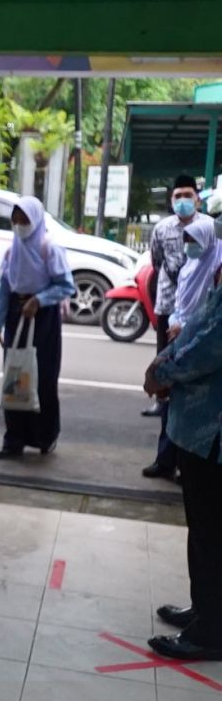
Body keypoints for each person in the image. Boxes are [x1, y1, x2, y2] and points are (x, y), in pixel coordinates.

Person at [144, 216, 222, 661]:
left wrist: (165, 371)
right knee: (206, 529)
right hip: (203, 427)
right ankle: (207, 610)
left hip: (214, 431)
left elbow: (214, 342)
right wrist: (167, 358)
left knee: (212, 531)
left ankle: (211, 630)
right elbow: (200, 322)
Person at [0, 197, 75, 459]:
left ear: (36, 220)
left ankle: (45, 437)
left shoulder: (49, 249)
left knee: (42, 379)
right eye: (15, 219)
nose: (19, 225)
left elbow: (66, 285)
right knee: (15, 377)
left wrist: (39, 300)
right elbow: (2, 290)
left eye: (24, 219)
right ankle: (13, 440)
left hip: (43, 319)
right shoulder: (12, 252)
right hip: (17, 316)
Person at [142, 176, 211, 478]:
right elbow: (158, 265)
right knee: (170, 385)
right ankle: (166, 459)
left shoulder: (209, 231)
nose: (183, 200)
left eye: (188, 195)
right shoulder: (162, 229)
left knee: (193, 391)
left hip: (200, 323)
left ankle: (189, 462)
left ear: (197, 198)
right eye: (177, 195)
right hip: (170, 313)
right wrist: (174, 319)